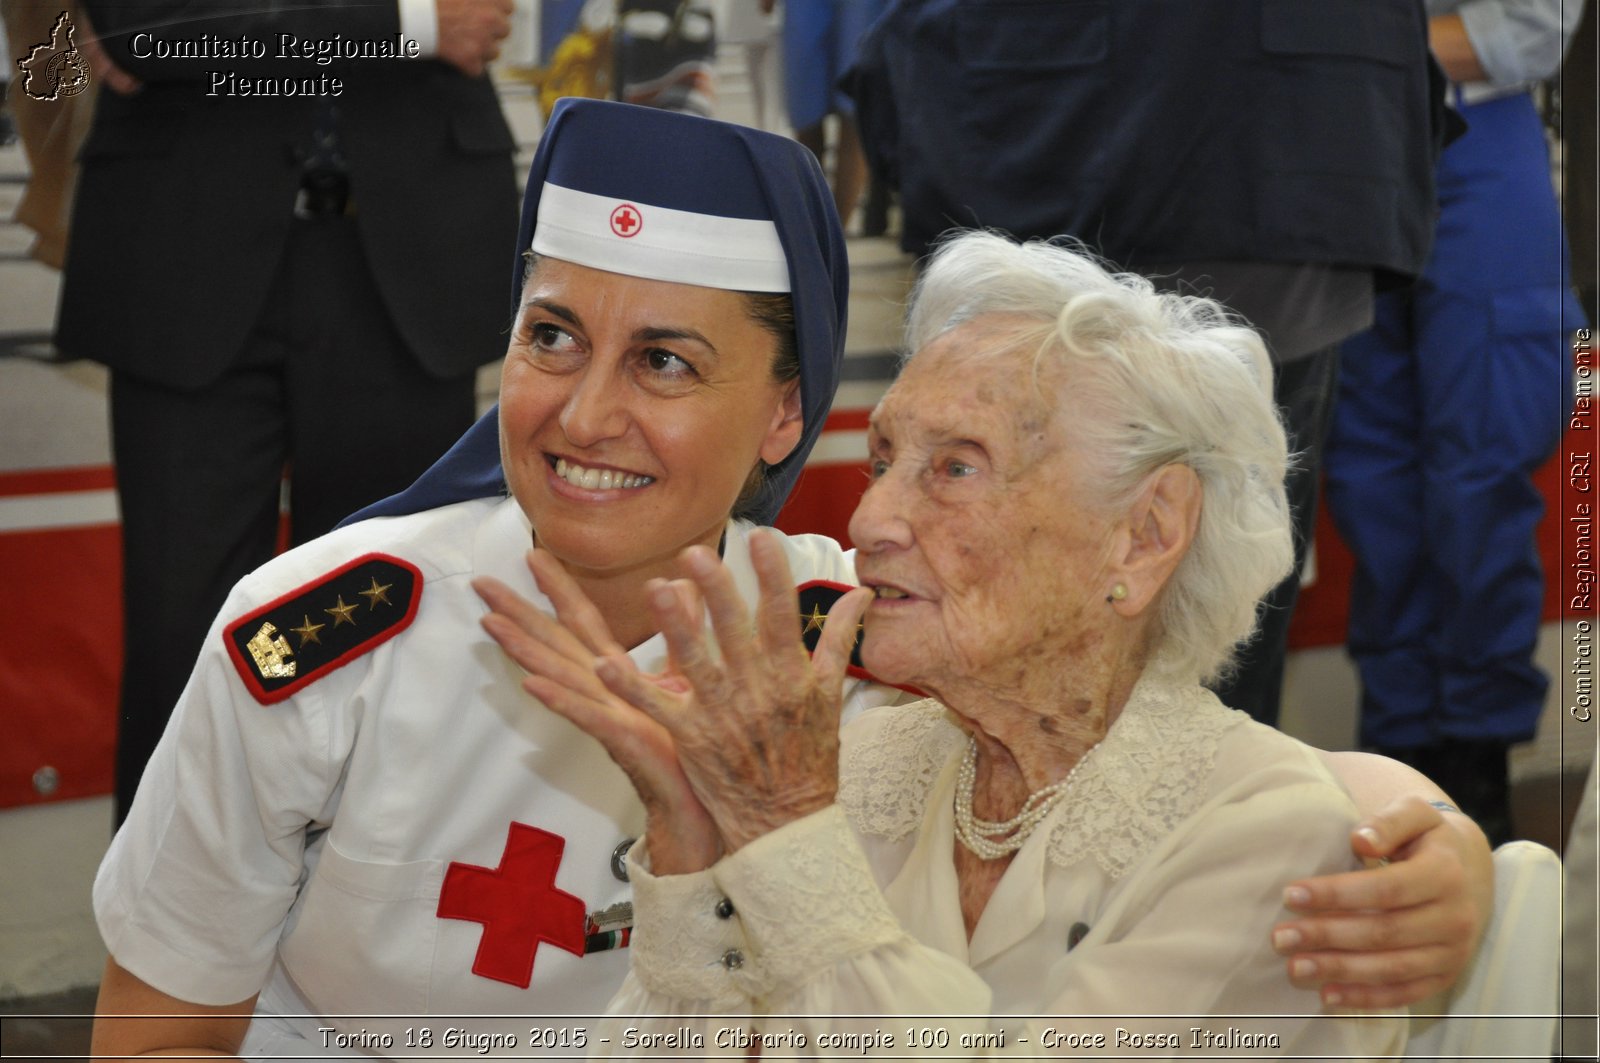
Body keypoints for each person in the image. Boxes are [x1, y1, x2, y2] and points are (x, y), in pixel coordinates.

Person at [94, 103, 1483, 1058]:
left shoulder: (843, 626)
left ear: (782, 422)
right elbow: (160, 1023)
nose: (582, 416)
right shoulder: (325, 631)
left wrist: (1444, 849)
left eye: (667, 363)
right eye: (552, 336)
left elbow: (1159, 738)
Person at [479, 232, 1478, 1051]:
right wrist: (693, 851)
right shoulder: (867, 761)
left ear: (1145, 533)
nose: (871, 518)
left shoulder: (1269, 841)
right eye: (884, 458)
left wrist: (784, 834)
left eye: (955, 467)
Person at [840, 0, 1447, 727]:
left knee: (1207, 630)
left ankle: (1194, 821)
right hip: (1244, 138)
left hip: (1220, 148)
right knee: (1092, 617)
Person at [54, 0, 519, 822]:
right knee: (183, 636)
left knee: (382, 632)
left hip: (407, 259)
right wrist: (408, 21)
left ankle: (356, 927)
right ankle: (163, 941)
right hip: (185, 250)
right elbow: (145, 24)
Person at [1322, 0, 1586, 846]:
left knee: (1482, 469)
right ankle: (1395, 745)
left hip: (1477, 133)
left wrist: (1335, 46)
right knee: (1368, 475)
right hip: (1341, 145)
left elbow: (1520, 29)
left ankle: (1476, 749)